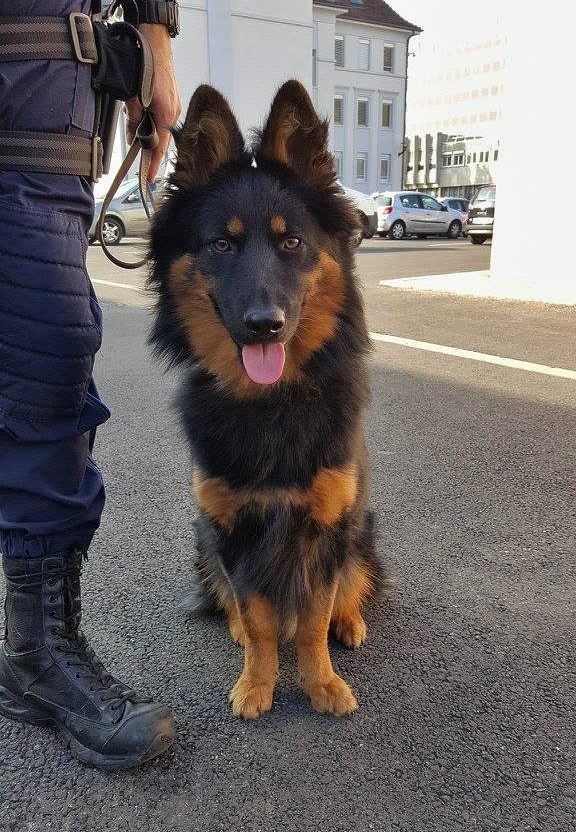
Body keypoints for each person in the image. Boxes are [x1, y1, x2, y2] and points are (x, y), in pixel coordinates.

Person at [0, 0, 182, 770]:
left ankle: (35, 653)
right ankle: (36, 655)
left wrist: (154, 42)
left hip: (43, 112)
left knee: (49, 351)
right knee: (46, 348)